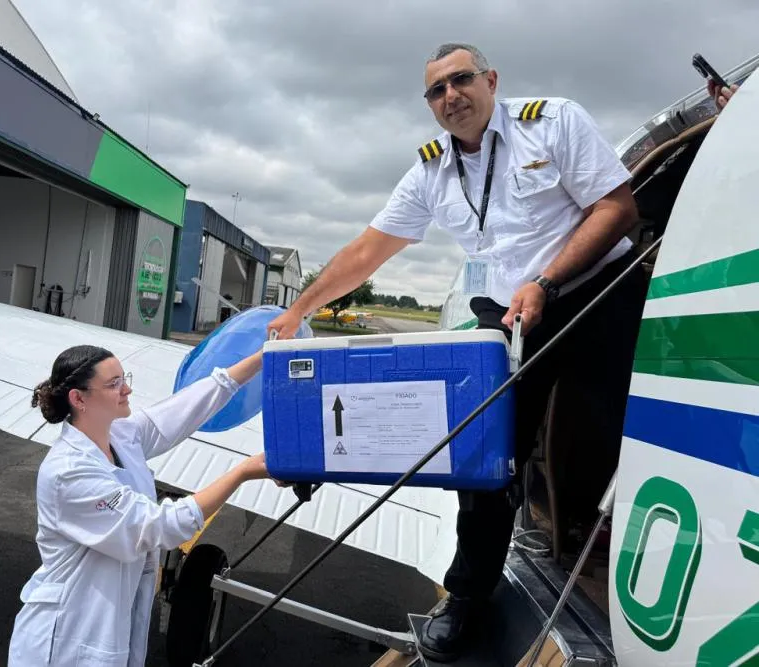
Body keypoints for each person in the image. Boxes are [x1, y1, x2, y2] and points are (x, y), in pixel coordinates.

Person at [267, 43, 648, 662]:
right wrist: (298, 309)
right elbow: (368, 251)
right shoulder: (430, 172)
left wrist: (547, 282)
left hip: (594, 295)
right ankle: (468, 596)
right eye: (436, 91)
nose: (450, 96)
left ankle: (627, 558)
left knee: (611, 434)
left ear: (491, 80)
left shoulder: (554, 122)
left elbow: (617, 208)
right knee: (483, 462)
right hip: (512, 315)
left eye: (461, 80)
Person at [7, 344, 270, 667]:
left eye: (124, 378)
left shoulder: (118, 435)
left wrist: (261, 357)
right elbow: (157, 528)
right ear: (79, 399)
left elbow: (187, 408)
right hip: (67, 640)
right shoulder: (68, 472)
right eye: (114, 383)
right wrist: (241, 472)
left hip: (108, 625)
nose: (127, 389)